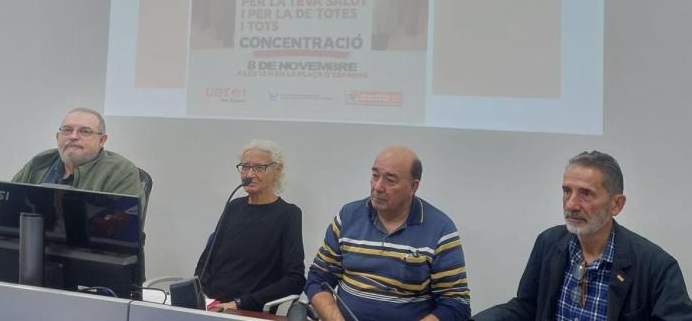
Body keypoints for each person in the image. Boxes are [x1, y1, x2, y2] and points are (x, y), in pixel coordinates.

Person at [473, 150, 692, 320]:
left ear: (616, 204)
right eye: (567, 191)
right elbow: (527, 307)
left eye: (585, 194)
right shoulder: (549, 243)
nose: (571, 204)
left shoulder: (656, 266)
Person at [305, 146, 470, 321]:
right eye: (375, 176)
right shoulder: (347, 217)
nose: (377, 187)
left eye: (390, 180)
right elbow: (318, 278)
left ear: (413, 186)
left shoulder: (440, 229)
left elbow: (456, 304)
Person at [195, 140, 305, 311]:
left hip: (246, 309)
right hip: (210, 305)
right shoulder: (233, 207)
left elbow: (295, 279)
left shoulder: (288, 214)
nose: (250, 174)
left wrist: (240, 303)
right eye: (245, 167)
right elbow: (206, 260)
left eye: (259, 168)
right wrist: (199, 293)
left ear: (277, 170)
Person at [12, 107, 145, 204]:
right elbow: (8, 205)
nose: (73, 136)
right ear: (58, 137)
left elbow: (123, 226)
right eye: (67, 130)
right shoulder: (40, 162)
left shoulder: (121, 172)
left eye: (85, 131)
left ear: (101, 140)